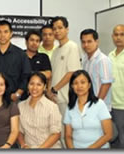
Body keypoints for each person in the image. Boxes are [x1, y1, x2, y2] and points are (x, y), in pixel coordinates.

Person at [46, 16, 82, 148]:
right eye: (54, 28)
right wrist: (50, 91)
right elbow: (53, 74)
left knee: (69, 134)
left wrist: (54, 89)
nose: (57, 31)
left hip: (67, 98)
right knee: (60, 133)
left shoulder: (72, 46)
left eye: (60, 28)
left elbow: (72, 73)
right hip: (56, 99)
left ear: (67, 29)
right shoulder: (55, 51)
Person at [0, 20, 31, 102]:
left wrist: (18, 94)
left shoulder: (20, 54)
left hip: (14, 99)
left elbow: (26, 76)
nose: (2, 35)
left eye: (5, 32)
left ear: (11, 34)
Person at [63, 70, 113, 149]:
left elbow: (108, 134)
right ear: (72, 86)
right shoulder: (70, 107)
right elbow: (68, 136)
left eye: (83, 82)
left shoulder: (99, 104)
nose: (79, 86)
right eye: (75, 83)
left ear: (89, 85)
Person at [17, 72, 61, 149]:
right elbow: (19, 131)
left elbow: (56, 134)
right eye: (31, 84)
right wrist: (23, 145)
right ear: (27, 85)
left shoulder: (52, 107)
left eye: (39, 84)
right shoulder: (20, 106)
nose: (34, 88)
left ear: (44, 87)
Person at [80, 28, 113, 111]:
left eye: (89, 41)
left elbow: (106, 84)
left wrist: (96, 105)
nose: (86, 45)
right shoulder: (85, 59)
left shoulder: (103, 60)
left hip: (100, 107)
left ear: (97, 42)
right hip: (88, 105)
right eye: (83, 42)